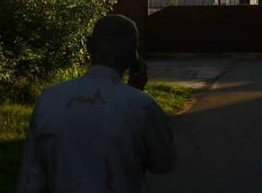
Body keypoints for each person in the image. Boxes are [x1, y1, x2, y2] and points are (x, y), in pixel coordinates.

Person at [17, 14, 176, 193]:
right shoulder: (141, 105)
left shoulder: (49, 99)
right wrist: (136, 92)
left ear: (89, 46)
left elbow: (31, 178)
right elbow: (163, 163)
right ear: (134, 56)